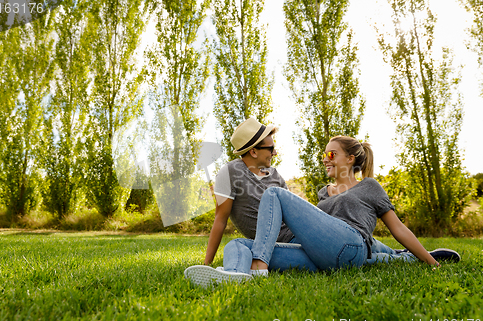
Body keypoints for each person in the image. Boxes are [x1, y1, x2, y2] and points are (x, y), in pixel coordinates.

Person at [185, 135, 460, 287]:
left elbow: (397, 228)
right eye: (324, 154)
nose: (325, 158)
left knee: (274, 193)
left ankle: (260, 265)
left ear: (350, 159)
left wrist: (431, 263)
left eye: (331, 154)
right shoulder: (323, 192)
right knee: (238, 243)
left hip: (352, 245)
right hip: (325, 253)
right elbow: (318, 230)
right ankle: (233, 276)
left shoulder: (370, 187)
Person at [204, 116, 296, 266]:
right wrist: (206, 264)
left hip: (297, 239)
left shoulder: (275, 175)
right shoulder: (231, 172)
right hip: (272, 248)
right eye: (271, 149)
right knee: (235, 245)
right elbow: (220, 219)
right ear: (253, 152)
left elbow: (292, 214)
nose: (275, 153)